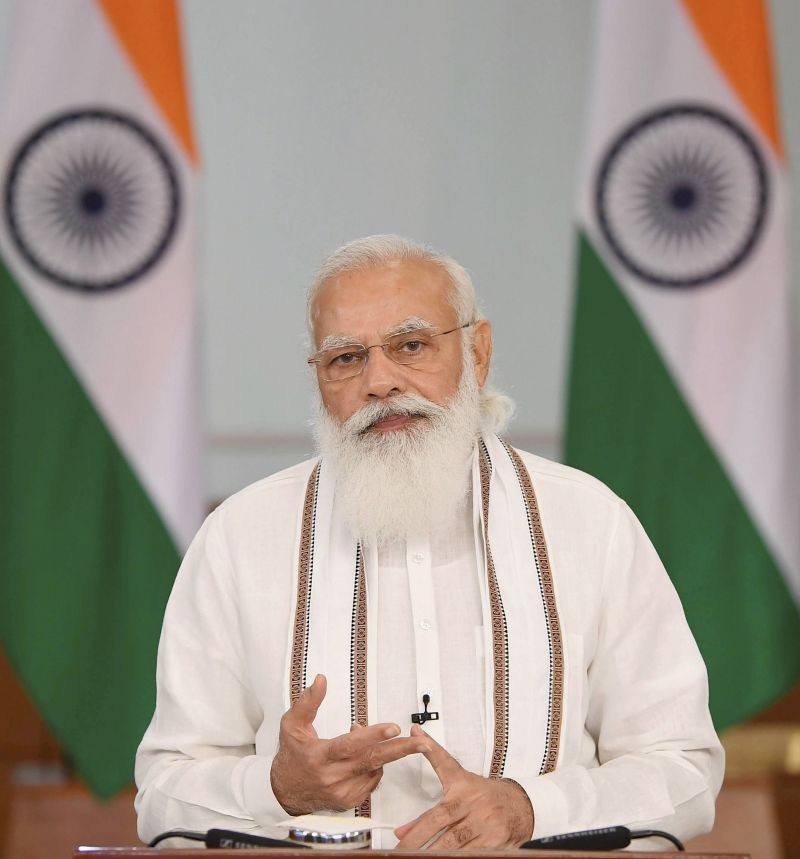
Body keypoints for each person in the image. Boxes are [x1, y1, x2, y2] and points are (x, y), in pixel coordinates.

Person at [135, 234, 724, 849]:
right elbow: (164, 791)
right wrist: (277, 789)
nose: (380, 381)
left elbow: (680, 768)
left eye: (410, 345)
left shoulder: (589, 523)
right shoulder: (241, 536)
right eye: (345, 358)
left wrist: (531, 809)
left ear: (479, 350)